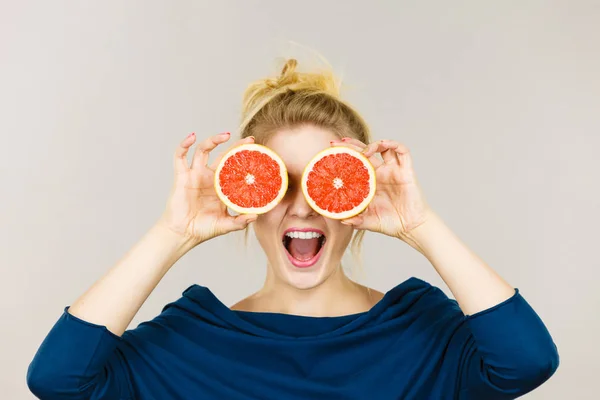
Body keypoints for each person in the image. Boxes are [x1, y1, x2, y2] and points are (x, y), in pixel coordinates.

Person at [27, 58, 559, 400]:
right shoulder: (195, 339)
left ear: (362, 193)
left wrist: (420, 224)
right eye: (279, 183)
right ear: (247, 201)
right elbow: (58, 381)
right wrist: (174, 231)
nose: (302, 207)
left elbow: (527, 361)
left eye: (327, 183)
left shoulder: (418, 331)